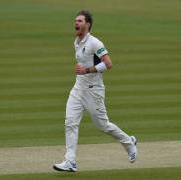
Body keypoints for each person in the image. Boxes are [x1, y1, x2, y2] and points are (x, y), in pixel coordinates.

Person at [53, 10, 138, 172]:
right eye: (75, 21)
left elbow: (108, 64)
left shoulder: (95, 43)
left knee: (103, 125)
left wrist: (87, 70)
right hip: (78, 89)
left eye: (80, 21)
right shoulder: (76, 42)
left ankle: (129, 142)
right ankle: (70, 161)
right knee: (70, 122)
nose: (76, 23)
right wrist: (83, 74)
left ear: (88, 24)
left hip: (94, 91)